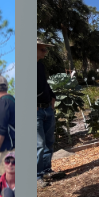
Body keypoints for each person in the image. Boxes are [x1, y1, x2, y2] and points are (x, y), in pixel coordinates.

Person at [36, 38, 65, 186]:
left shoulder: (40, 66)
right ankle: (36, 176)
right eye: (42, 49)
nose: (45, 52)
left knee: (48, 142)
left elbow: (44, 84)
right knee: (38, 144)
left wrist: (52, 96)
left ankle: (46, 170)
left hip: (47, 107)